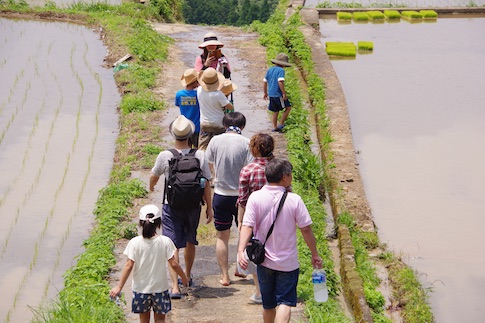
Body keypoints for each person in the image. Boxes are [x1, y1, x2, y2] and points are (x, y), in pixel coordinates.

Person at [237, 158, 323, 323]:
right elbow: (305, 229)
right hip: (288, 263)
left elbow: (247, 226)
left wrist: (241, 251)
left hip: (264, 261)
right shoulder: (294, 200)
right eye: (290, 174)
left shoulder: (255, 198)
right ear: (284, 177)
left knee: (268, 304)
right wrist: (314, 254)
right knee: (284, 302)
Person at [149, 115, 213, 299]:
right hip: (193, 205)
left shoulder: (165, 155)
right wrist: (209, 207)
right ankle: (189, 275)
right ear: (190, 135)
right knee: (190, 240)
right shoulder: (199, 155)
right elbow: (206, 182)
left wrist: (152, 186)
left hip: (171, 206)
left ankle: (175, 287)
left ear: (173, 135)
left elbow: (154, 175)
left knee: (172, 244)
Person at [109, 204, 189, 323]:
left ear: (141, 224)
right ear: (159, 224)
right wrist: (183, 277)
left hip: (141, 290)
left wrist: (119, 286)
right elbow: (174, 264)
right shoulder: (165, 241)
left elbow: (128, 266)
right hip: (160, 289)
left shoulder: (134, 243)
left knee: (143, 320)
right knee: (161, 319)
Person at [205, 112, 253, 286]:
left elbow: (208, 162)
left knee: (222, 237)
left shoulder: (215, 140)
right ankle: (241, 269)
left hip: (221, 194)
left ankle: (225, 276)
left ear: (224, 125)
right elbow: (250, 169)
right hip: (242, 197)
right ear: (242, 126)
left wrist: (215, 175)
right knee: (245, 234)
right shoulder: (247, 143)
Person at [237, 133, 275, 304]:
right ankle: (275, 287)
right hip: (277, 214)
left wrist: (240, 221)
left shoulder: (248, 170)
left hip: (254, 217)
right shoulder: (279, 167)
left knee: (254, 251)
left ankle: (260, 291)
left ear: (254, 149)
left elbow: (243, 199)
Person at [197, 67, 234, 150]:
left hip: (204, 123)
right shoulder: (219, 95)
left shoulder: (199, 90)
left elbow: (210, 94)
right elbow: (230, 107)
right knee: (219, 147)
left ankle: (202, 160)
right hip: (218, 124)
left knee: (203, 147)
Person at [263, 53, 293, 133]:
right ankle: (281, 124)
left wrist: (265, 92)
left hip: (271, 94)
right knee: (288, 107)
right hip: (278, 94)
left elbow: (265, 81)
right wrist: (284, 93)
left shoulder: (270, 69)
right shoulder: (281, 70)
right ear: (283, 64)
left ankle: (274, 127)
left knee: (275, 111)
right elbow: (280, 82)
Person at [175, 68, 200, 148]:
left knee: (187, 148)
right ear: (195, 82)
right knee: (197, 148)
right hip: (197, 127)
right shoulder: (198, 95)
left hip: (185, 126)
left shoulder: (179, 94)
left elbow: (178, 105)